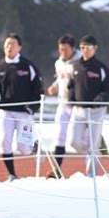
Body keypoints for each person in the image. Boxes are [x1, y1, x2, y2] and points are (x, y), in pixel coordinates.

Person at [0, 34, 43, 181]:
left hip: (24, 113)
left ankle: (34, 146)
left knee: (23, 148)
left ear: (19, 47)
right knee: (5, 142)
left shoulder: (29, 67)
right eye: (7, 44)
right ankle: (12, 174)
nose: (9, 47)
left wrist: (33, 106)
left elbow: (38, 90)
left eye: (13, 44)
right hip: (5, 111)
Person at [67, 35, 109, 176]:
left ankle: (91, 175)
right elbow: (71, 85)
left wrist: (101, 97)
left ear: (95, 49)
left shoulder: (102, 68)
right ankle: (95, 152)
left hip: (96, 111)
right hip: (78, 110)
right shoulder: (74, 66)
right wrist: (71, 97)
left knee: (93, 145)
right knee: (73, 142)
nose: (85, 50)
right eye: (82, 47)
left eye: (88, 47)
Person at [45, 34, 81, 178]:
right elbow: (60, 79)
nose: (63, 52)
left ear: (73, 48)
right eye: (60, 49)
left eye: (65, 49)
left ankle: (98, 143)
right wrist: (54, 86)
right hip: (63, 104)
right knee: (59, 137)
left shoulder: (80, 62)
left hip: (77, 106)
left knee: (79, 140)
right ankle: (57, 170)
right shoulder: (58, 63)